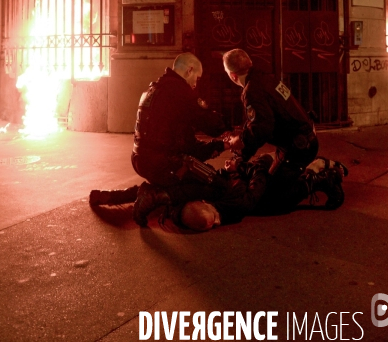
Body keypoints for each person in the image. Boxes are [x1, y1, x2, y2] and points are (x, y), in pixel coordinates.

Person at [91, 53, 230, 224]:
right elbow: (212, 126)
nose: (196, 84)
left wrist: (219, 146)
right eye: (197, 78)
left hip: (142, 161)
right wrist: (227, 132)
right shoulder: (180, 92)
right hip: (165, 164)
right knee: (218, 185)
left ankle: (114, 197)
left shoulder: (154, 88)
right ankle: (157, 197)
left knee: (173, 182)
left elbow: (182, 142)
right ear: (190, 70)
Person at [175, 154, 348, 232]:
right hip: (254, 171)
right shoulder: (215, 198)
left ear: (205, 202)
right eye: (212, 226)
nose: (217, 224)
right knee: (270, 203)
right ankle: (318, 173)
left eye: (214, 219)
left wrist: (240, 167)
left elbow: (258, 184)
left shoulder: (236, 205)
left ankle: (319, 178)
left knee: (277, 202)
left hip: (263, 168)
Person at [222, 49, 320, 176]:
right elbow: (257, 122)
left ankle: (319, 178)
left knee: (271, 194)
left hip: (298, 148)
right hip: (298, 142)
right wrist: (241, 155)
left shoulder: (252, 91)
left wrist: (240, 140)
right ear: (249, 62)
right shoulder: (264, 78)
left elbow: (261, 129)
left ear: (233, 75)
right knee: (270, 176)